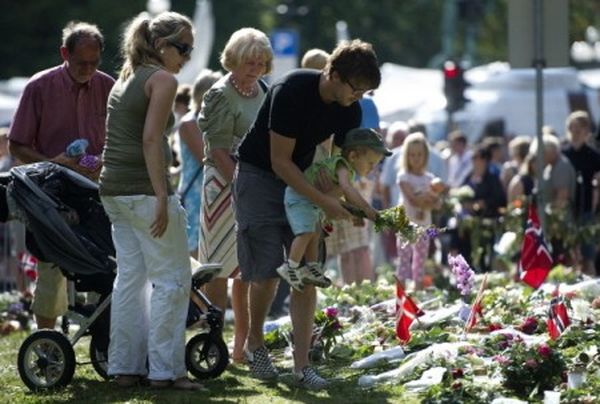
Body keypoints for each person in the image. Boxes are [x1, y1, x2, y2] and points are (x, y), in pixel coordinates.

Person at [234, 39, 381, 389]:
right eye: (356, 88)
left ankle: (302, 366)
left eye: (365, 92)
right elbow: (279, 161)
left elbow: (341, 163)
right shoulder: (291, 90)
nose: (359, 97)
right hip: (259, 175)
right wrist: (322, 200)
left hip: (300, 177)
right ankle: (255, 343)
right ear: (334, 74)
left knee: (308, 272)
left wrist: (345, 198)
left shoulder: (349, 109)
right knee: (267, 270)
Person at [98, 12, 201, 390]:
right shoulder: (163, 80)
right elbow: (151, 140)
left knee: (130, 281)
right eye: (183, 48)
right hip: (143, 191)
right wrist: (161, 195)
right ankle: (167, 372)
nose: (187, 56)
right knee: (173, 280)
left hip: (114, 191)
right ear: (160, 45)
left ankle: (124, 368)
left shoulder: (126, 77)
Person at [7, 21, 114, 330]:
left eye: (95, 62)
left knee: (104, 261)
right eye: (82, 63)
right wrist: (54, 164)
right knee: (51, 264)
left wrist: (103, 159)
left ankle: (102, 336)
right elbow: (17, 145)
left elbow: (118, 139)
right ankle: (46, 340)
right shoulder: (39, 87)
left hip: (95, 190)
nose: (89, 69)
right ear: (64, 53)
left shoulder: (108, 86)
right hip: (50, 193)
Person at [198, 27, 273, 364]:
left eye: (261, 63)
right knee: (218, 269)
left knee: (247, 270)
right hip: (223, 186)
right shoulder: (219, 94)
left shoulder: (264, 90)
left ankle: (243, 347)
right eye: (249, 63)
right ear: (233, 60)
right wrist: (244, 187)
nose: (255, 69)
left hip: (255, 184)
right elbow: (217, 151)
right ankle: (213, 345)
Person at [279, 128, 390, 290]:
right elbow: (347, 189)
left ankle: (312, 267)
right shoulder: (342, 165)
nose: (372, 168)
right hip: (299, 197)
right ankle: (290, 266)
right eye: (370, 163)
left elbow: (341, 197)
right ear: (353, 156)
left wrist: (357, 213)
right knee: (306, 233)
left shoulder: (348, 172)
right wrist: (367, 208)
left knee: (315, 233)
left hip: (310, 201)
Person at [177, 69, 222, 258]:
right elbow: (206, 157)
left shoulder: (216, 121)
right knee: (195, 247)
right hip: (195, 193)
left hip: (215, 190)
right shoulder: (189, 123)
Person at [396, 132, 444, 290]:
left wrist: (433, 198)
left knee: (420, 259)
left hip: (424, 225)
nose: (416, 158)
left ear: (426, 156)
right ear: (406, 156)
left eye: (419, 154)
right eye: (412, 155)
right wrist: (429, 198)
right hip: (406, 224)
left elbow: (438, 204)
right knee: (404, 259)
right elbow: (412, 199)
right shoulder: (404, 177)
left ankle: (417, 289)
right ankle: (401, 292)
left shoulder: (430, 178)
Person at [562, 111, 600, 274]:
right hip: (566, 210)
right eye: (573, 128)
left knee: (587, 256)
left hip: (587, 210)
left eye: (580, 129)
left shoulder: (594, 156)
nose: (576, 132)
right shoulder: (563, 154)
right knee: (568, 255)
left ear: (586, 131)